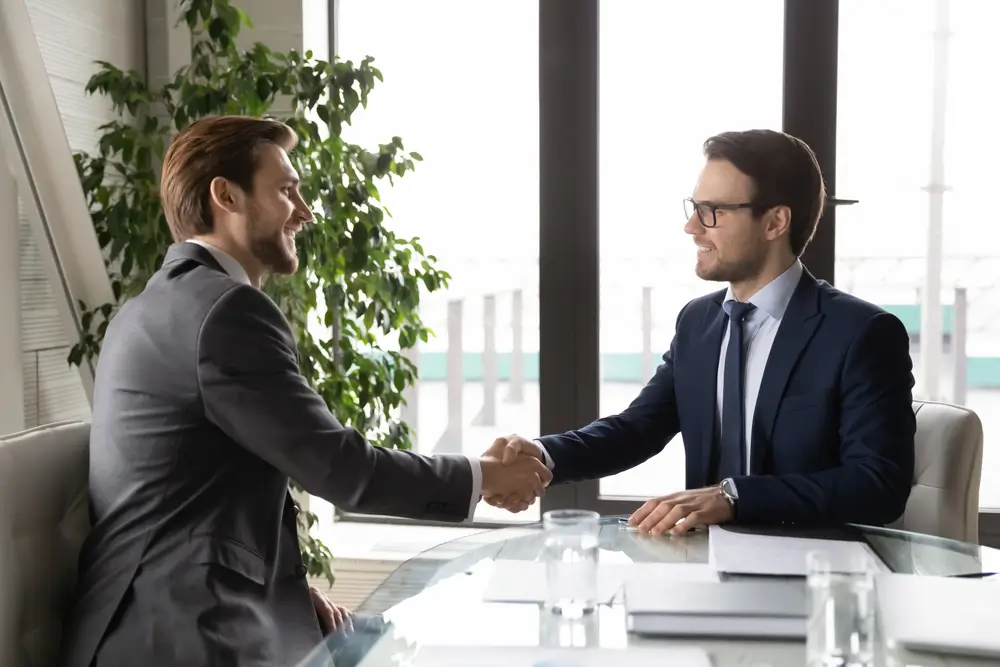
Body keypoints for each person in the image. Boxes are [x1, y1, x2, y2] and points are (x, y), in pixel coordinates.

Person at [59, 115, 552, 667]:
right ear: (226, 195)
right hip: (181, 636)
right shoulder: (226, 310)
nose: (305, 210)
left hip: (147, 620)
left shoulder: (149, 307)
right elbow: (341, 469)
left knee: (383, 641)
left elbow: (187, 496)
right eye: (287, 190)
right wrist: (484, 476)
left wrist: (285, 594)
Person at [485, 129, 915, 536]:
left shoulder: (861, 333)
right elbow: (637, 429)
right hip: (704, 565)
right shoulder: (698, 322)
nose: (692, 227)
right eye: (693, 208)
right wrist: (541, 455)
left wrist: (734, 497)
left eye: (712, 212)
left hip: (812, 575)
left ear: (774, 222)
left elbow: (876, 484)